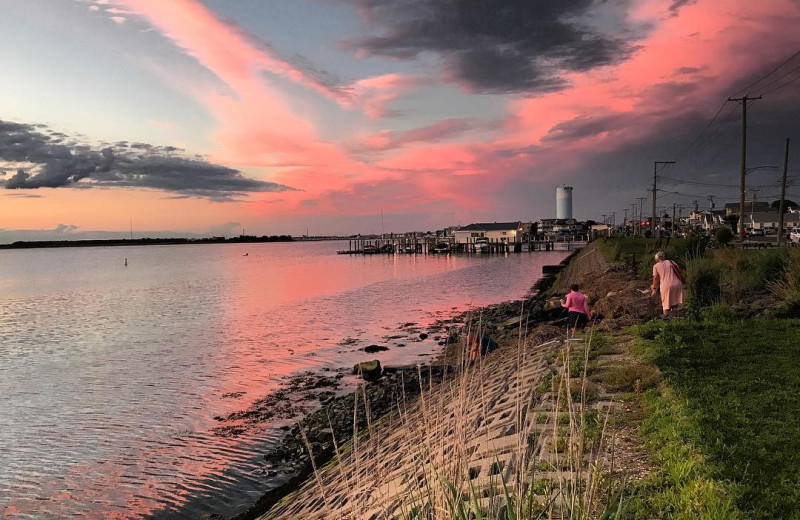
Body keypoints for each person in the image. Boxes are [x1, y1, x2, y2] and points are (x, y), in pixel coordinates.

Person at [651, 251, 684, 317]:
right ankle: (676, 319)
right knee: (675, 303)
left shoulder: (656, 266)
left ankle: (666, 320)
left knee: (666, 305)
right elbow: (678, 270)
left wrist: (654, 289)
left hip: (666, 285)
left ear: (657, 258)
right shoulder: (671, 262)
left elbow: (655, 278)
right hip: (677, 284)